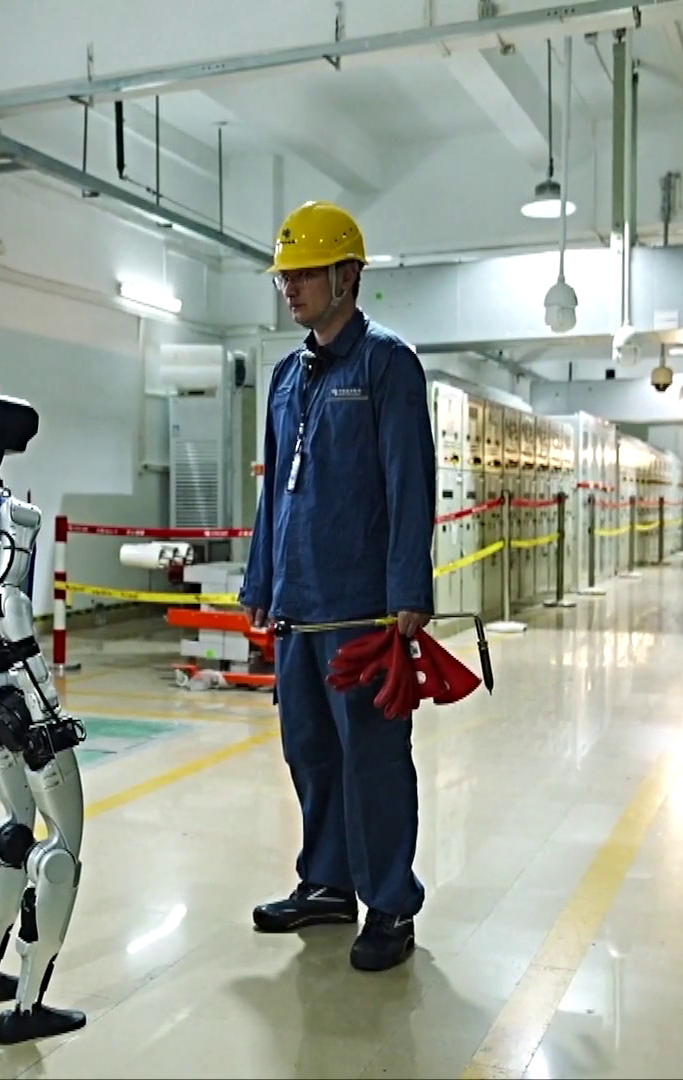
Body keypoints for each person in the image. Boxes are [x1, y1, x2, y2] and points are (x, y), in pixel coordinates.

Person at [237, 200, 436, 972]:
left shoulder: (387, 365)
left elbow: (409, 482)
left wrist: (408, 589)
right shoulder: (288, 376)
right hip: (299, 605)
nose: (290, 288)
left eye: (305, 273)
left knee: (373, 760)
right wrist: (262, 578)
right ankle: (326, 882)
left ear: (347, 276)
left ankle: (389, 901)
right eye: (284, 276)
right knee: (311, 752)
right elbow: (273, 492)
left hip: (363, 611)